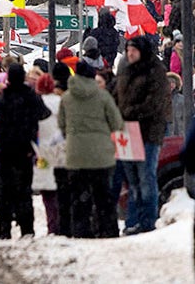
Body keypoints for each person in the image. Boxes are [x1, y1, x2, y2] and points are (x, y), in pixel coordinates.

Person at [113, 35, 171, 235]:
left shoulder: (155, 71)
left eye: (134, 50)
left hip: (147, 133)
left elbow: (155, 104)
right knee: (133, 181)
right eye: (128, 50)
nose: (130, 54)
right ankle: (133, 221)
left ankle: (147, 221)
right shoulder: (126, 71)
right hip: (127, 132)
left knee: (146, 177)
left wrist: (129, 112)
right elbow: (117, 96)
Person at [59, 61, 123, 239]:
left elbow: (61, 125)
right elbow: (117, 123)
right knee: (103, 197)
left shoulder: (66, 98)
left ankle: (81, 231)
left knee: (79, 197)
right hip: (101, 155)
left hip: (75, 155)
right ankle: (107, 230)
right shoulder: (103, 97)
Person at [0, 63, 51, 239]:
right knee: (24, 190)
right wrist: (28, 122)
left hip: (6, 148)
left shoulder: (4, 97)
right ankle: (27, 229)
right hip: (25, 149)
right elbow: (44, 113)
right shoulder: (30, 96)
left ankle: (4, 230)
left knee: (4, 191)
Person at [32, 73, 66, 235]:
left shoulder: (36, 105)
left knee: (47, 190)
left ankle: (52, 224)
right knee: (61, 186)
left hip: (42, 152)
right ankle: (62, 223)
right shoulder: (61, 103)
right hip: (60, 149)